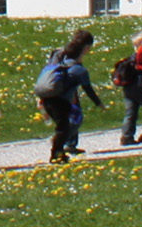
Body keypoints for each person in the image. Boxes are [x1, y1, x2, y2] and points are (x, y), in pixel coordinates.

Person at [36, 33, 97, 161]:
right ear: (85, 46)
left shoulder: (65, 51)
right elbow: (54, 74)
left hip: (63, 91)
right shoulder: (68, 54)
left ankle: (66, 145)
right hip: (61, 93)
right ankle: (60, 149)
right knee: (67, 123)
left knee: (70, 121)